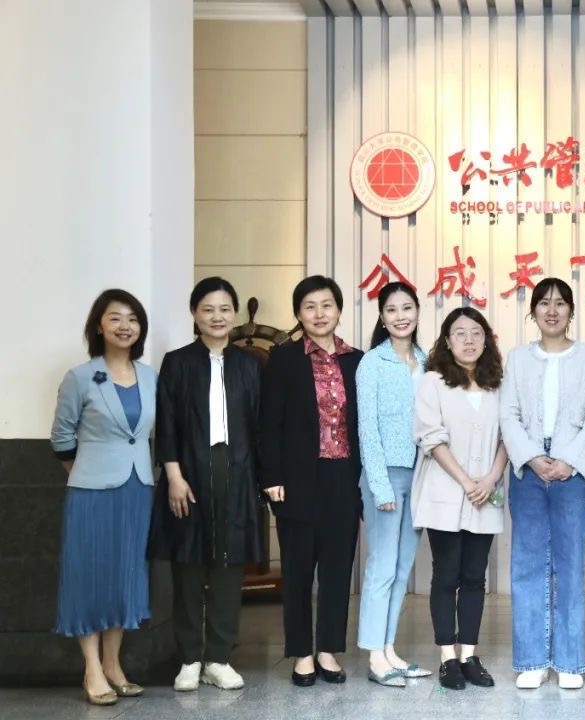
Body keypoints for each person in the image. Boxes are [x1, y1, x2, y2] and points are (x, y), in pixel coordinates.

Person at [149, 277, 264, 693]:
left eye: (224, 309)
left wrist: (261, 478)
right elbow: (167, 422)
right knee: (188, 565)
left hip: (237, 470)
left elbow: (260, 426)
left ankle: (218, 658)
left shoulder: (250, 364)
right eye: (208, 309)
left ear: (234, 314)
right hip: (189, 471)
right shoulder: (178, 362)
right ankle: (189, 659)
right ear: (195, 314)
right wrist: (173, 475)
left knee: (229, 566)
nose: (217, 317)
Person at [50, 289, 157, 706]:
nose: (125, 326)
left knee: (124, 576)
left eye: (133, 318)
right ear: (99, 325)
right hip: (91, 492)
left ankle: (113, 665)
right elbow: (61, 436)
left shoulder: (149, 376)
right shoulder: (81, 377)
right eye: (115, 318)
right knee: (89, 576)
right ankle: (92, 668)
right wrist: (84, 473)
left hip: (138, 489)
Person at [499, 278, 585, 690]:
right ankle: (531, 661)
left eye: (560, 303)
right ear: (533, 312)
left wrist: (570, 460)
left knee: (569, 565)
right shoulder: (518, 358)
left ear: (571, 311)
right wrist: (531, 457)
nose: (552, 310)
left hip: (573, 471)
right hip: (528, 470)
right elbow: (508, 414)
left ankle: (568, 662)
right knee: (528, 564)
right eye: (543, 303)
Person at [260, 275, 363, 687]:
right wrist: (271, 476)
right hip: (297, 478)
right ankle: (302, 652)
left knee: (337, 569)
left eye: (326, 305)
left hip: (344, 477)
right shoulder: (284, 359)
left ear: (338, 310)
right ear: (298, 314)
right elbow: (269, 422)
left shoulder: (356, 360)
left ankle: (328, 651)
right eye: (309, 307)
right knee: (299, 569)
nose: (319, 314)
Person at [412, 307, 508, 690]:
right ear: (447, 341)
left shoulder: (498, 384)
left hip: (486, 492)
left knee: (474, 577)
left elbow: (508, 437)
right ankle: (447, 657)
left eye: (476, 333)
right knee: (446, 574)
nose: (468, 340)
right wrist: (467, 481)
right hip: (445, 492)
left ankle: (469, 654)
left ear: (486, 340)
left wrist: (491, 478)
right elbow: (431, 437)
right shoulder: (433, 382)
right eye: (459, 333)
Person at [355, 282, 430, 686]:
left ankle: (389, 648)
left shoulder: (427, 361)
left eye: (407, 308)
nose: (400, 316)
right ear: (382, 318)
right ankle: (373, 655)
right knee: (382, 566)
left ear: (417, 311)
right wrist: (380, 487)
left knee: (402, 568)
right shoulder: (372, 362)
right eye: (392, 310)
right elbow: (367, 429)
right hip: (385, 475)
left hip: (422, 476)